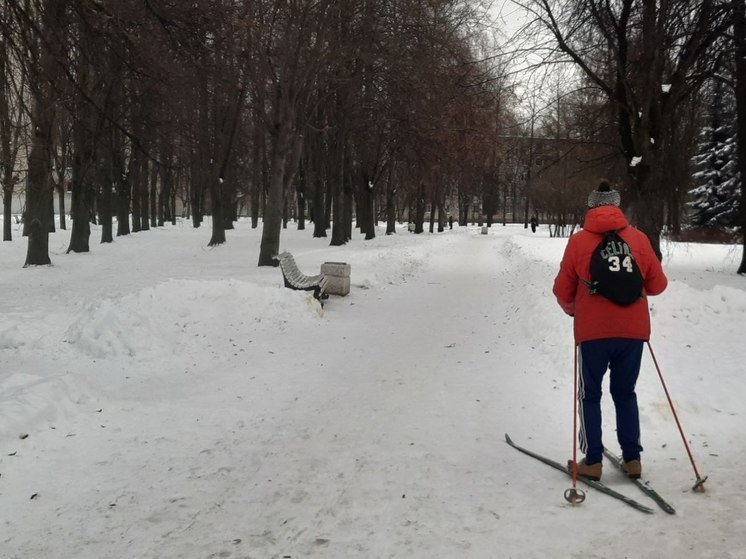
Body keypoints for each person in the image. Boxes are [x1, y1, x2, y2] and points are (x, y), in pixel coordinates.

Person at [552, 181, 668, 481]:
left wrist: (574, 310)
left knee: (590, 394)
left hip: (593, 333)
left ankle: (592, 461)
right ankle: (632, 459)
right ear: (617, 207)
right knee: (625, 392)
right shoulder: (639, 239)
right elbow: (658, 285)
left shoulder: (579, 242)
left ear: (591, 207)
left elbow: (563, 289)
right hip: (633, 332)